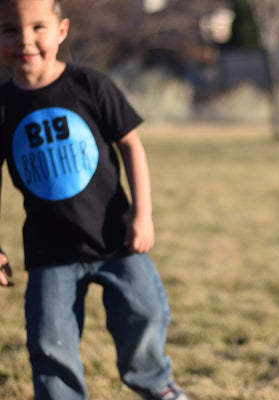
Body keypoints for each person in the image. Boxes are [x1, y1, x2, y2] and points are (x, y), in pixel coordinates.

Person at [0, 0, 188, 399]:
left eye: (37, 27)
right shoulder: (3, 106)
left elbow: (131, 147)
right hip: (49, 250)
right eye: (9, 30)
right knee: (49, 340)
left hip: (115, 235)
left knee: (146, 310)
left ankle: (155, 383)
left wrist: (143, 214)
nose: (25, 40)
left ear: (62, 30)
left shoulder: (90, 85)